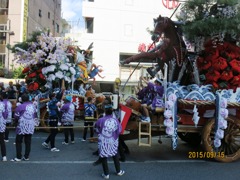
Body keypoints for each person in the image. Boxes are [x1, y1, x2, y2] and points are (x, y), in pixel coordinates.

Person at [95, 102, 125, 179]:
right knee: (115, 155)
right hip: (113, 141)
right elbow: (120, 130)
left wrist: (99, 133)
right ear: (112, 111)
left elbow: (95, 128)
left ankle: (106, 174)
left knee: (104, 156)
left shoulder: (100, 120)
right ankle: (118, 171)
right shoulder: (116, 121)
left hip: (103, 141)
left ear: (105, 111)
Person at [11, 93, 37, 161]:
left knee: (18, 141)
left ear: (21, 99)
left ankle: (18, 157)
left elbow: (16, 116)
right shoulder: (33, 106)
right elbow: (35, 115)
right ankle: (26, 156)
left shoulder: (20, 106)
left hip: (21, 126)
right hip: (30, 125)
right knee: (28, 141)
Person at [0, 93, 7, 161]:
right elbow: (5, 114)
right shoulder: (3, 104)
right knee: (2, 140)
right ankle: (4, 156)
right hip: (1, 123)